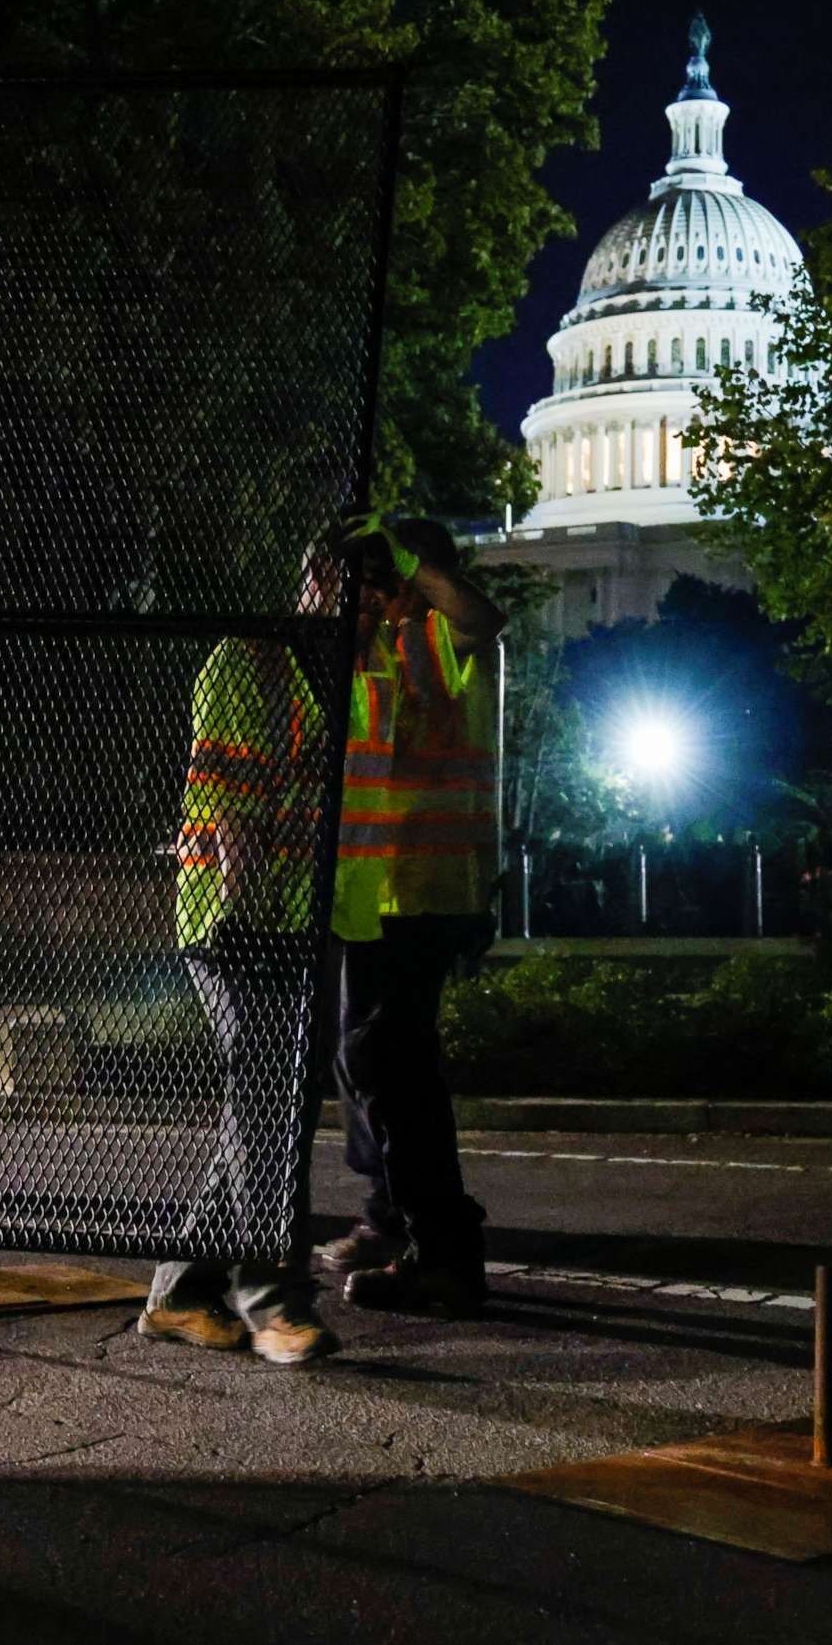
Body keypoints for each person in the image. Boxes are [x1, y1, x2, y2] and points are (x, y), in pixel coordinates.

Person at [136, 542, 345, 1366]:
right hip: (236, 915)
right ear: (317, 581)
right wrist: (234, 907)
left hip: (286, 913)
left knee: (268, 1105)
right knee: (266, 1107)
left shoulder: (331, 670)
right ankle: (269, 1300)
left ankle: (181, 1291)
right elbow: (227, 798)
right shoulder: (249, 660)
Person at [321, 513, 506, 1316]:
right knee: (371, 1063)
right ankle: (402, 1220)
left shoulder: (443, 639)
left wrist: (407, 562)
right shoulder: (377, 650)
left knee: (391, 1066)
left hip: (428, 891)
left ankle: (444, 1246)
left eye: (375, 575)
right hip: (379, 894)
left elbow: (480, 615)